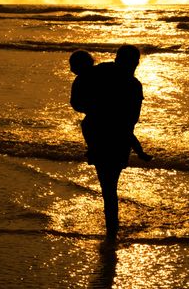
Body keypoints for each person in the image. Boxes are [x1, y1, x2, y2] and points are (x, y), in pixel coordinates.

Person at [69, 45, 151, 238]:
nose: (135, 65)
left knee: (108, 185)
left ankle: (112, 230)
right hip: (108, 136)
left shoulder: (119, 78)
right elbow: (130, 119)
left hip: (109, 135)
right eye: (133, 61)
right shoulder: (129, 82)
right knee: (109, 185)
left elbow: (129, 120)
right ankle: (111, 233)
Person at [69, 49, 152, 162]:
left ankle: (140, 152)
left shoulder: (103, 71)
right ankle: (139, 152)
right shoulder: (102, 71)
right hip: (107, 126)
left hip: (110, 124)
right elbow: (76, 102)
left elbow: (76, 102)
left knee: (124, 133)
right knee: (124, 133)